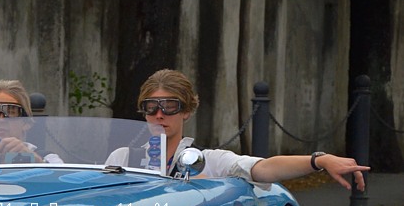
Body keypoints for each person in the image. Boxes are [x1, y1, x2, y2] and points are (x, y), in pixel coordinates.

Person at [106, 69, 369, 190]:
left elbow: (263, 169)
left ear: (186, 111)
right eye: (151, 106)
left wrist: (319, 160)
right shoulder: (123, 158)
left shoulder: (209, 161)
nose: (159, 114)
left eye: (170, 106)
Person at [0, 79, 63, 164]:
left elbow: (58, 176)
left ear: (26, 123)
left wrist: (34, 159)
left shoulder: (50, 160)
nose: (0, 119)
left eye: (11, 112)